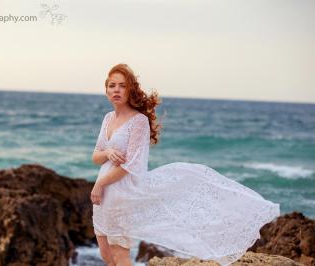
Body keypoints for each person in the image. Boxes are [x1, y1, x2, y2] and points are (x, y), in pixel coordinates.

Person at [90, 63, 280, 266]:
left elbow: (131, 166)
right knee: (106, 256)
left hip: (121, 194)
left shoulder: (138, 121)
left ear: (131, 90)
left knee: (120, 255)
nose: (116, 90)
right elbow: (95, 156)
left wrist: (100, 184)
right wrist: (108, 152)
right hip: (103, 195)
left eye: (122, 85)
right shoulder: (108, 118)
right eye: (112, 85)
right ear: (106, 90)